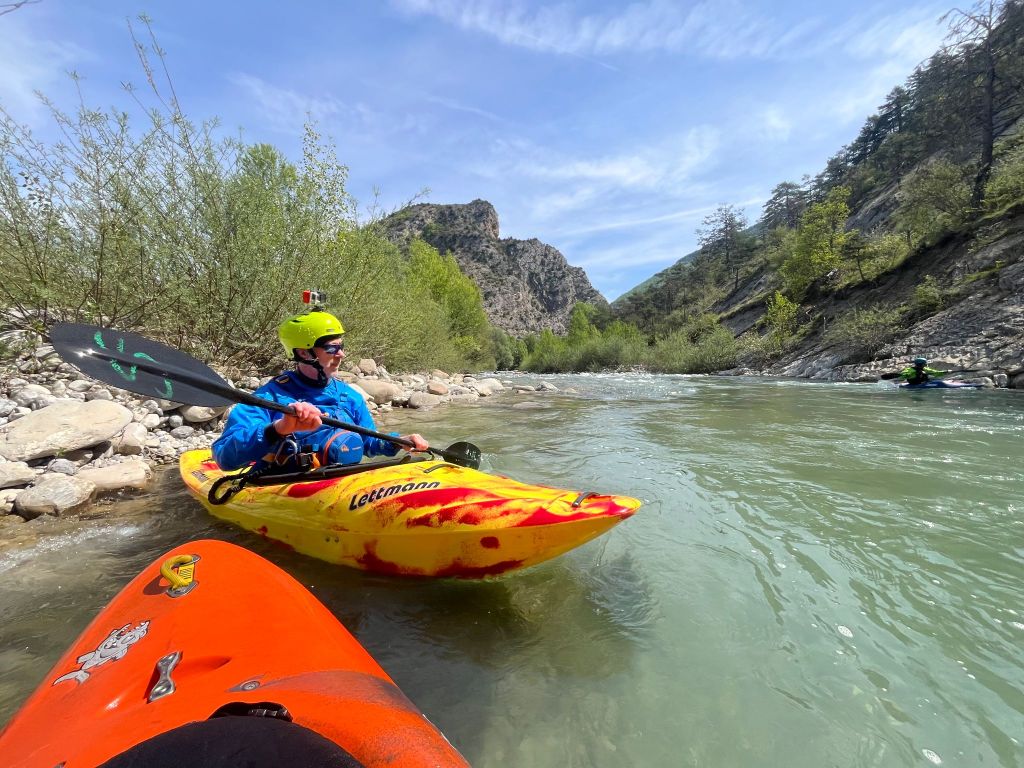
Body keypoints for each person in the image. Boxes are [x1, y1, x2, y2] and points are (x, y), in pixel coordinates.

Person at [212, 308, 428, 471]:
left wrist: (400, 442)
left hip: (339, 484)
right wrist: (278, 429)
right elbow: (224, 457)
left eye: (341, 347)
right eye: (332, 348)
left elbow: (369, 442)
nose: (341, 354)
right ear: (304, 353)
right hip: (283, 487)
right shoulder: (268, 398)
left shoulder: (350, 397)